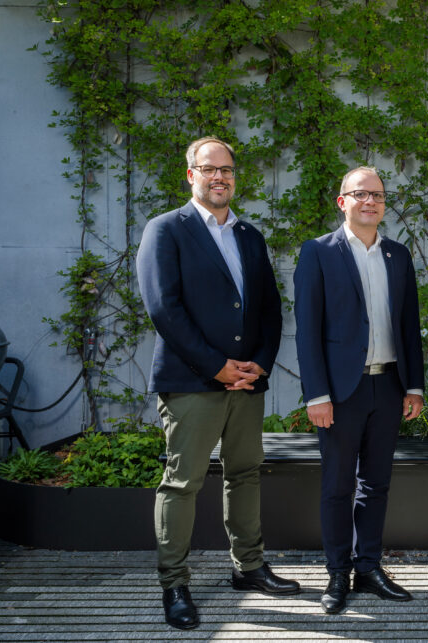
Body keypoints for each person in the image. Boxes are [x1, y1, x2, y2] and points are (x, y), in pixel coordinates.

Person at [137, 136, 299, 631]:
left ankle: (248, 567)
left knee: (244, 474)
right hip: (192, 382)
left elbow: (270, 307)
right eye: (209, 168)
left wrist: (259, 363)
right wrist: (216, 366)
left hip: (247, 382)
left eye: (227, 169)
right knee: (182, 482)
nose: (219, 177)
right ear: (191, 174)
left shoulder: (250, 235)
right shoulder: (166, 230)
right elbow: (164, 308)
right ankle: (175, 583)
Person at [293, 166, 425, 614]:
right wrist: (316, 394)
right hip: (340, 393)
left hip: (388, 386)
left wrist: (414, 386)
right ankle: (337, 573)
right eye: (361, 194)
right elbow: (307, 332)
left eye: (379, 196)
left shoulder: (398, 255)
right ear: (342, 201)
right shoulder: (318, 253)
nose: (371, 202)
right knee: (336, 486)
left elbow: (409, 327)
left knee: (377, 484)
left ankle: (368, 567)